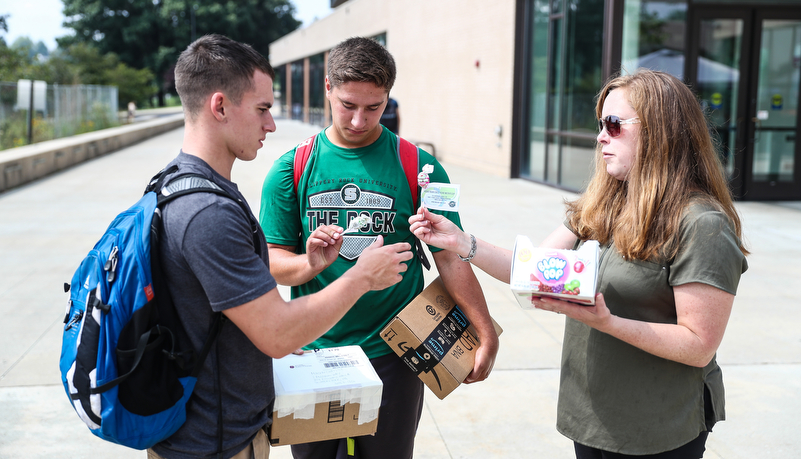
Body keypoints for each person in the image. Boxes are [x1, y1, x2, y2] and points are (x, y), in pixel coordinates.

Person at [409, 69, 748, 458]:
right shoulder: (605, 202)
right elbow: (533, 270)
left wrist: (608, 323)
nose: (601, 135)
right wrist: (458, 241)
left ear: (660, 130)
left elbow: (698, 345)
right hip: (591, 415)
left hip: (657, 427)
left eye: (614, 124)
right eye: (600, 124)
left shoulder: (702, 224)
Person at [148, 34, 414, 459]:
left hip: (215, 430)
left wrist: (310, 265)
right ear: (219, 106)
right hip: (212, 439)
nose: (271, 125)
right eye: (263, 109)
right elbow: (278, 333)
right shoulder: (207, 214)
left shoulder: (182, 186)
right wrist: (363, 276)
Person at [259, 37, 499, 459]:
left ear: (388, 97)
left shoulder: (423, 168)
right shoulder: (289, 169)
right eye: (348, 105)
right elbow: (274, 264)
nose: (358, 120)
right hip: (315, 352)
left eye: (373, 107)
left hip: (395, 355)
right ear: (328, 87)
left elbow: (450, 254)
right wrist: (311, 264)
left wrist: (484, 330)